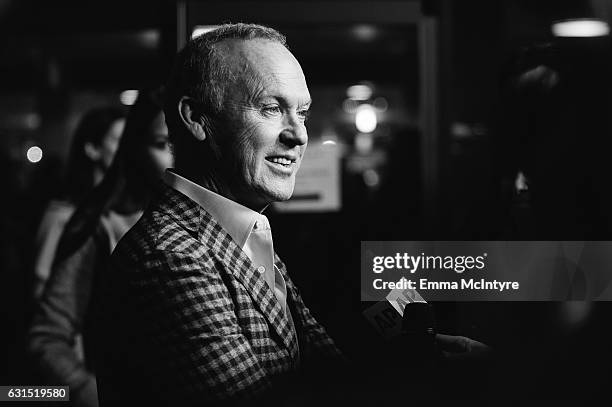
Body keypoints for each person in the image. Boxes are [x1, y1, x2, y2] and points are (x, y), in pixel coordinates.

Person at [93, 24, 343, 406]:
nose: (299, 135)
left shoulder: (239, 231)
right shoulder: (170, 258)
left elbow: (328, 372)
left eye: (303, 113)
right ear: (196, 118)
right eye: (271, 108)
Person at [27, 88, 173, 407]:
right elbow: (49, 330)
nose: (178, 158)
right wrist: (87, 391)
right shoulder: (97, 223)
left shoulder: (212, 223)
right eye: (163, 144)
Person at [32, 107, 126, 298]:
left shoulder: (124, 210)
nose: (127, 149)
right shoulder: (63, 214)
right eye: (118, 141)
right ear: (92, 149)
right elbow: (40, 289)